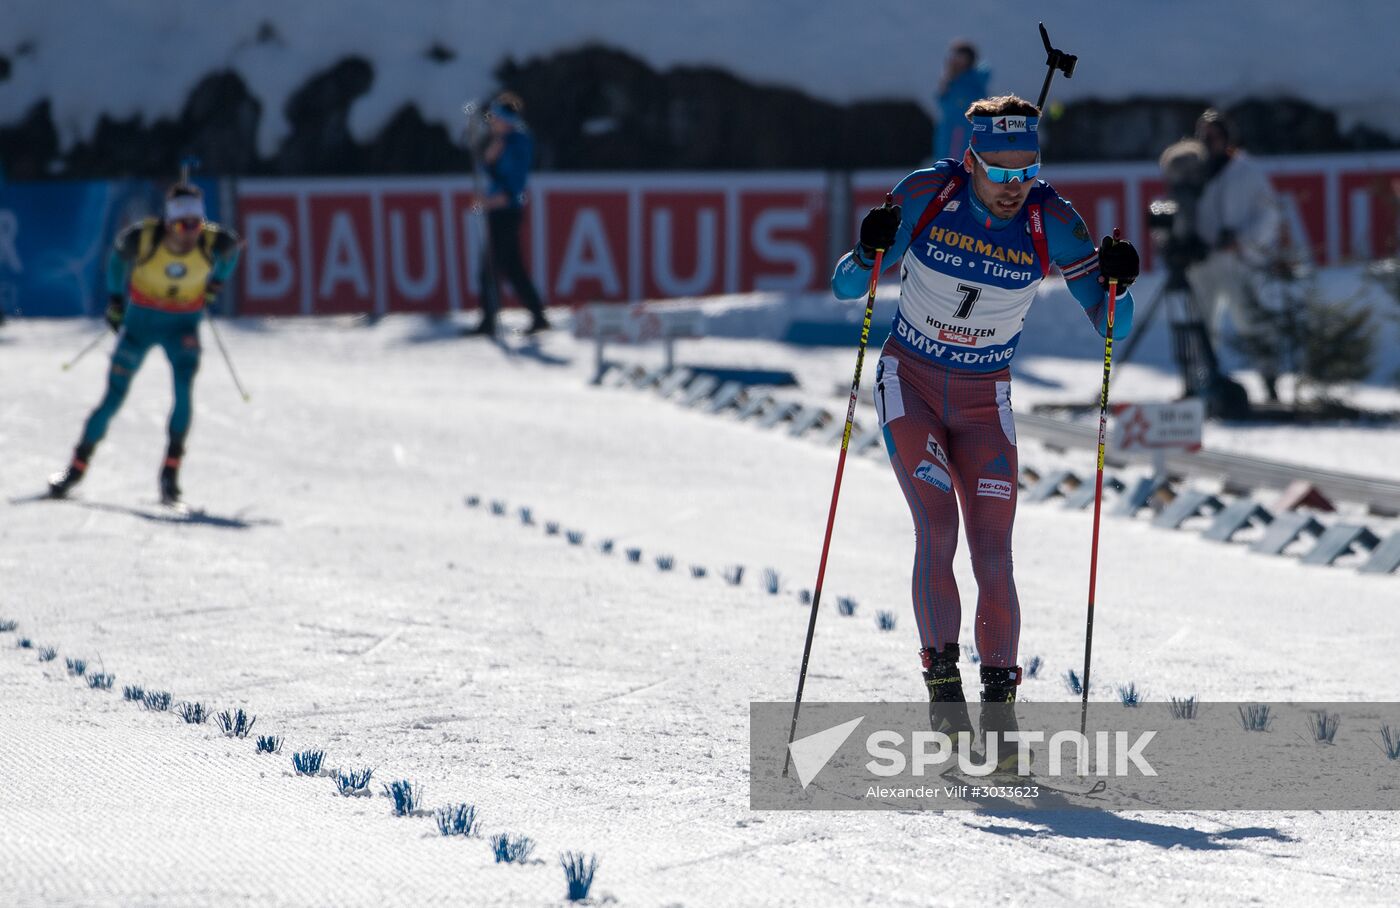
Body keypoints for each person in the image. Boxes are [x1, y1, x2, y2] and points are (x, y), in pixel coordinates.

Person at [831, 94, 1139, 761]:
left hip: (984, 399)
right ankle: (945, 698)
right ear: (970, 160)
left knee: (993, 551)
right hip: (909, 383)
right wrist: (866, 249)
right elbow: (845, 289)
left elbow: (1115, 325)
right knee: (937, 526)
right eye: (998, 173)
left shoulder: (1053, 220)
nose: (1012, 187)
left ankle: (1000, 717)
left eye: (1025, 170)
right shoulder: (925, 195)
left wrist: (1121, 286)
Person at [47, 183, 242, 505]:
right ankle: (76, 468)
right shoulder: (145, 238)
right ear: (169, 223)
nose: (190, 233)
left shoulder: (213, 240)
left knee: (183, 389)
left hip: (183, 325)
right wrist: (114, 302)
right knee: (113, 398)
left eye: (196, 224)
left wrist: (216, 283)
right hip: (141, 324)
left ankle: (170, 474)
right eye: (182, 225)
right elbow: (116, 262)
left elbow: (231, 251)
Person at [1186, 108, 1285, 399]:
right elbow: (1182, 210)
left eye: (1215, 136)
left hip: (1238, 260)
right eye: (1204, 136)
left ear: (1227, 138)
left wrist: (1242, 239)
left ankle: (1270, 382)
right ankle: (1200, 383)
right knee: (1201, 324)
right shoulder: (1193, 171)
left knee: (1252, 321)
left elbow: (1269, 215)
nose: (1209, 142)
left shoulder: (1247, 171)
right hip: (1203, 260)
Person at [465, 92, 550, 337]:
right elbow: (487, 166)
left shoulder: (518, 142)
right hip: (499, 210)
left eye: (495, 118)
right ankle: (538, 315)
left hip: (507, 211)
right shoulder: (501, 140)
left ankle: (488, 321)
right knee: (513, 268)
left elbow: (512, 183)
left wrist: (490, 201)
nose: (492, 122)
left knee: (489, 268)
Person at [933, 41, 990, 163]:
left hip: (963, 130)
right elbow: (942, 102)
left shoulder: (972, 81)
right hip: (949, 130)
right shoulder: (951, 80)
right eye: (954, 56)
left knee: (958, 164)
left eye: (961, 57)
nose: (956, 61)